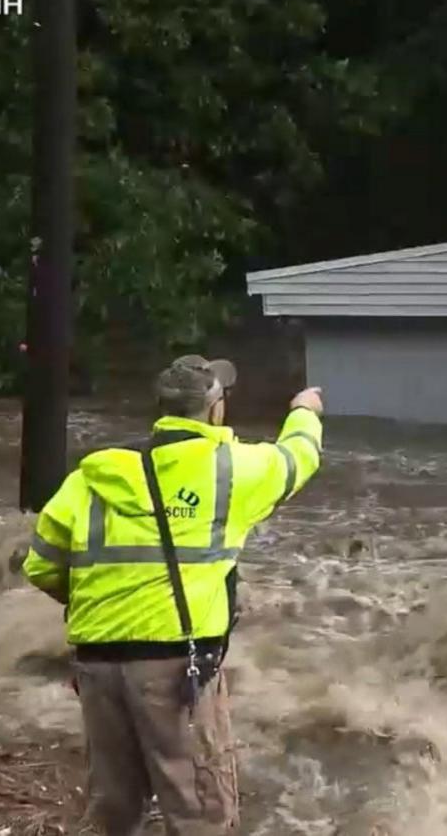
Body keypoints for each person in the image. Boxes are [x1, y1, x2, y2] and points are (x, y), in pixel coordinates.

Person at [21, 355, 325, 835]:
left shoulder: (91, 477)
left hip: (98, 666)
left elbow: (40, 565)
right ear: (214, 410)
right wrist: (304, 410)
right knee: (200, 812)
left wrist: (109, 607)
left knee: (113, 811)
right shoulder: (232, 469)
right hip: (176, 672)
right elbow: (297, 458)